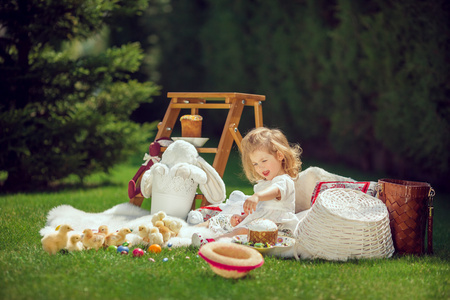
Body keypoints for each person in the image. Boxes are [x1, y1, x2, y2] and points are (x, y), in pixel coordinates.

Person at [192, 127, 303, 246]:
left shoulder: (284, 180)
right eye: (255, 163)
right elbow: (261, 211)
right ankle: (188, 231)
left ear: (280, 155)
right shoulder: (264, 184)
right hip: (258, 225)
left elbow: (275, 191)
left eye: (264, 160)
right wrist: (243, 217)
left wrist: (257, 196)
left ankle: (213, 242)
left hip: (277, 230)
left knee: (242, 231)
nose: (260, 167)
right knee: (225, 220)